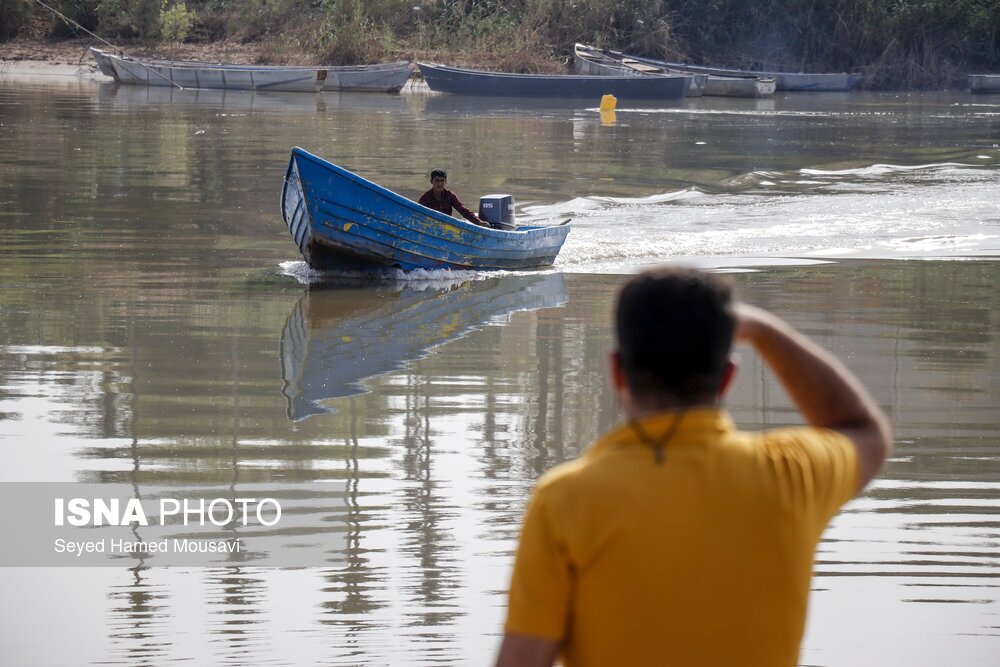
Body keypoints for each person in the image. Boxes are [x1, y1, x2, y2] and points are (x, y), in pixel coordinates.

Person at [495, 267, 892, 667]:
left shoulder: (565, 501)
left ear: (617, 372)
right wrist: (764, 332)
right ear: (728, 377)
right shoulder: (790, 474)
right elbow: (864, 431)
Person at [418, 169, 489, 227]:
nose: (439, 184)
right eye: (437, 180)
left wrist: (479, 222)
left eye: (442, 181)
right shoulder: (425, 198)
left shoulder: (450, 196)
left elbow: (463, 210)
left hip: (447, 227)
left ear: (445, 182)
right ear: (431, 181)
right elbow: (418, 216)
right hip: (431, 227)